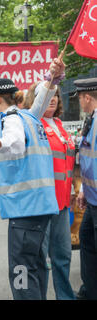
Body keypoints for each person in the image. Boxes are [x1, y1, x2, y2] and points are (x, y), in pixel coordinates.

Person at [0, 57, 66, 300]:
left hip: (24, 209)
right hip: (40, 206)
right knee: (34, 267)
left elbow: (15, 144)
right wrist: (53, 78)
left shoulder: (10, 119)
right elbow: (42, 99)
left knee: (21, 273)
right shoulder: (30, 117)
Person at [23, 82, 76, 300]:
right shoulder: (30, 124)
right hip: (42, 204)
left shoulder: (60, 125)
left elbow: (67, 162)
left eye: (55, 95)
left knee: (63, 257)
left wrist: (72, 189)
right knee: (41, 260)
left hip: (62, 203)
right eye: (47, 95)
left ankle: (65, 297)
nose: (52, 99)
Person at [75, 77, 97, 300]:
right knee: (87, 241)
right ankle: (90, 290)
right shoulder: (91, 119)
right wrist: (82, 189)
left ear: (87, 97)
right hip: (92, 199)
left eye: (80, 98)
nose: (80, 102)